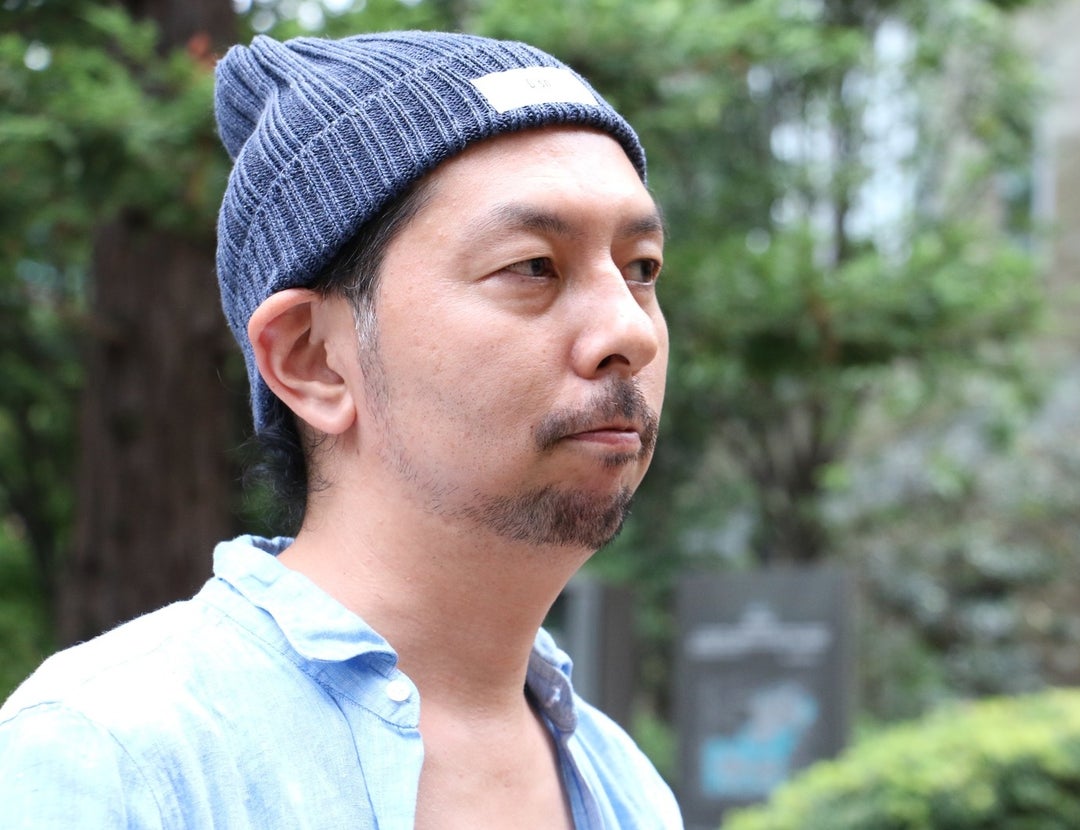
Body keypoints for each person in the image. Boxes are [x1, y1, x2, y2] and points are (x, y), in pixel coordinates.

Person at [0, 29, 682, 829]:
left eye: (640, 268)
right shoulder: (111, 761)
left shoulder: (625, 785)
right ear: (313, 360)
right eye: (533, 266)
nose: (629, 332)